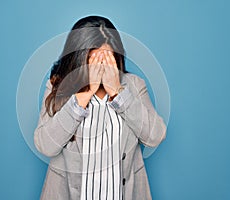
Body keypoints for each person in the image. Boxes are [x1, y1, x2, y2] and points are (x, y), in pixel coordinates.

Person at [34, 15, 167, 200]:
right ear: (79, 59)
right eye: (95, 61)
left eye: (108, 59)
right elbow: (45, 146)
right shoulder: (58, 86)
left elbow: (155, 136)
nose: (102, 67)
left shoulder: (134, 85)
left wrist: (118, 93)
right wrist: (84, 95)